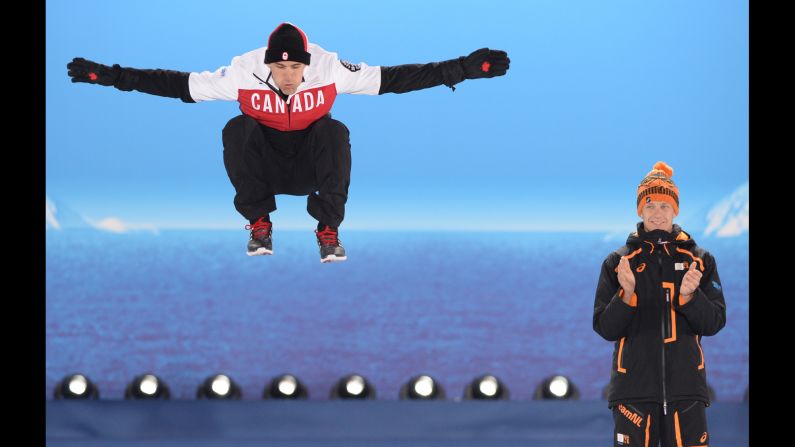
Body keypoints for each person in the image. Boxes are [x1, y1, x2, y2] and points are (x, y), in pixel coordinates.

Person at [66, 22, 510, 262]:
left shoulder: (332, 68)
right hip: (265, 166)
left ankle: (328, 229)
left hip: (311, 166)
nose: (289, 78)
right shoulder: (241, 73)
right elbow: (177, 85)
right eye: (280, 71)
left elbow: (396, 79)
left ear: (307, 63)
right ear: (266, 66)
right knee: (236, 127)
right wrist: (111, 76)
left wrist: (461, 69)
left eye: (296, 69)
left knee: (334, 130)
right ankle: (260, 223)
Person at [592, 161, 726, 446]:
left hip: (687, 392)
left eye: (665, 206)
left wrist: (691, 297)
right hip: (633, 395)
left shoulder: (699, 260)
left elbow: (714, 323)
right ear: (639, 209)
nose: (657, 214)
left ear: (675, 210)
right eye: (650, 205)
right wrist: (626, 295)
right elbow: (605, 327)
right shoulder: (619, 262)